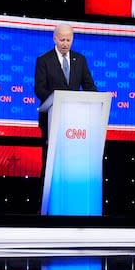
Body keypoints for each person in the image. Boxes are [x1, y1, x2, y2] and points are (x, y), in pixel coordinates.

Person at [33, 23, 97, 210]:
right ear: (55, 38)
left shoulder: (80, 59)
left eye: (69, 39)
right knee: (50, 162)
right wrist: (58, 100)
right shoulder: (43, 60)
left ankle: (73, 203)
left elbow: (89, 86)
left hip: (76, 123)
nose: (65, 43)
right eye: (62, 39)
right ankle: (46, 205)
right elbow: (39, 89)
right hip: (52, 119)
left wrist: (95, 99)